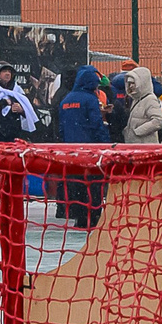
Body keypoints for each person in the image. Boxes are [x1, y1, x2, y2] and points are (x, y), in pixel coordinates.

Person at [54, 65, 110, 226]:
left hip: (71, 151)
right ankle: (93, 217)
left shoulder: (66, 100)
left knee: (76, 184)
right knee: (92, 186)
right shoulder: (90, 99)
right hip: (90, 150)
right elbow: (96, 124)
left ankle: (79, 216)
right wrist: (105, 144)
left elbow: (62, 128)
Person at [119, 65, 162, 144]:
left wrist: (138, 131)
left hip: (145, 144)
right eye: (129, 83)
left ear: (142, 83)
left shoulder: (150, 99)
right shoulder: (136, 99)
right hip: (135, 143)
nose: (131, 86)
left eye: (133, 83)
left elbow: (158, 121)